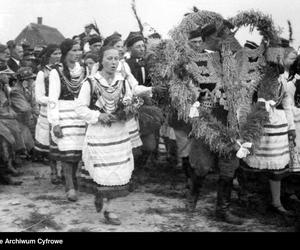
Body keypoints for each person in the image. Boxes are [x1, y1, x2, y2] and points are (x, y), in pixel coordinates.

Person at [75, 45, 135, 225]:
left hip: (118, 134)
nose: (113, 62)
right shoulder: (90, 82)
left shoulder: (123, 81)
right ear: (101, 60)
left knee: (116, 171)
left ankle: (110, 209)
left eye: (116, 58)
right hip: (99, 134)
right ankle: (100, 195)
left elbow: (130, 102)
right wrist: (98, 115)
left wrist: (128, 111)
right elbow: (79, 108)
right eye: (109, 58)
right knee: (102, 171)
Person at [240, 38, 297, 217]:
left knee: (277, 167)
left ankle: (276, 201)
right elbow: (246, 100)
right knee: (249, 160)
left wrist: (291, 127)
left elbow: (287, 104)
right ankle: (245, 195)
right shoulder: (255, 75)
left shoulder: (282, 79)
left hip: (277, 124)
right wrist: (246, 122)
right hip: (258, 122)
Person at [48, 39, 87, 201]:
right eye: (74, 50)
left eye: (79, 50)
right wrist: (55, 122)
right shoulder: (56, 72)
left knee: (77, 151)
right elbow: (52, 98)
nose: (77, 53)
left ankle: (73, 178)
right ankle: (69, 186)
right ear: (65, 52)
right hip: (64, 114)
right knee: (66, 150)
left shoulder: (83, 70)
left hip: (79, 114)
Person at [35, 44, 62, 184]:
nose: (58, 56)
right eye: (55, 53)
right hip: (49, 109)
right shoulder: (42, 73)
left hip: (63, 109)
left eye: (59, 53)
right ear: (49, 55)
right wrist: (53, 100)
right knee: (51, 143)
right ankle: (53, 171)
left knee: (63, 141)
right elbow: (39, 97)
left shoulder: (63, 70)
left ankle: (64, 170)